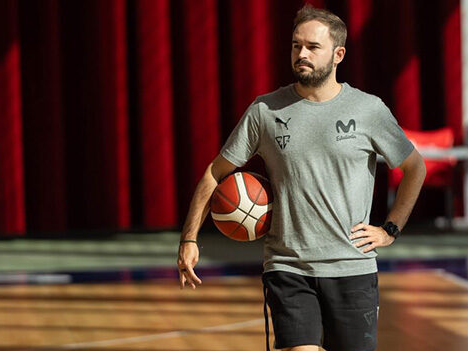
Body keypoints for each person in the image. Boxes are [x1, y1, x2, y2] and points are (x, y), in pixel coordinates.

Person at [177, 5, 426, 351]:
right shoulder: (265, 111)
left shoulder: (368, 109)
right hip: (287, 266)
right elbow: (213, 174)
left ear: (338, 54)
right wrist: (189, 239)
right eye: (296, 46)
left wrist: (390, 230)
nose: (302, 54)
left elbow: (415, 167)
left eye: (312, 47)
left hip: (352, 267)